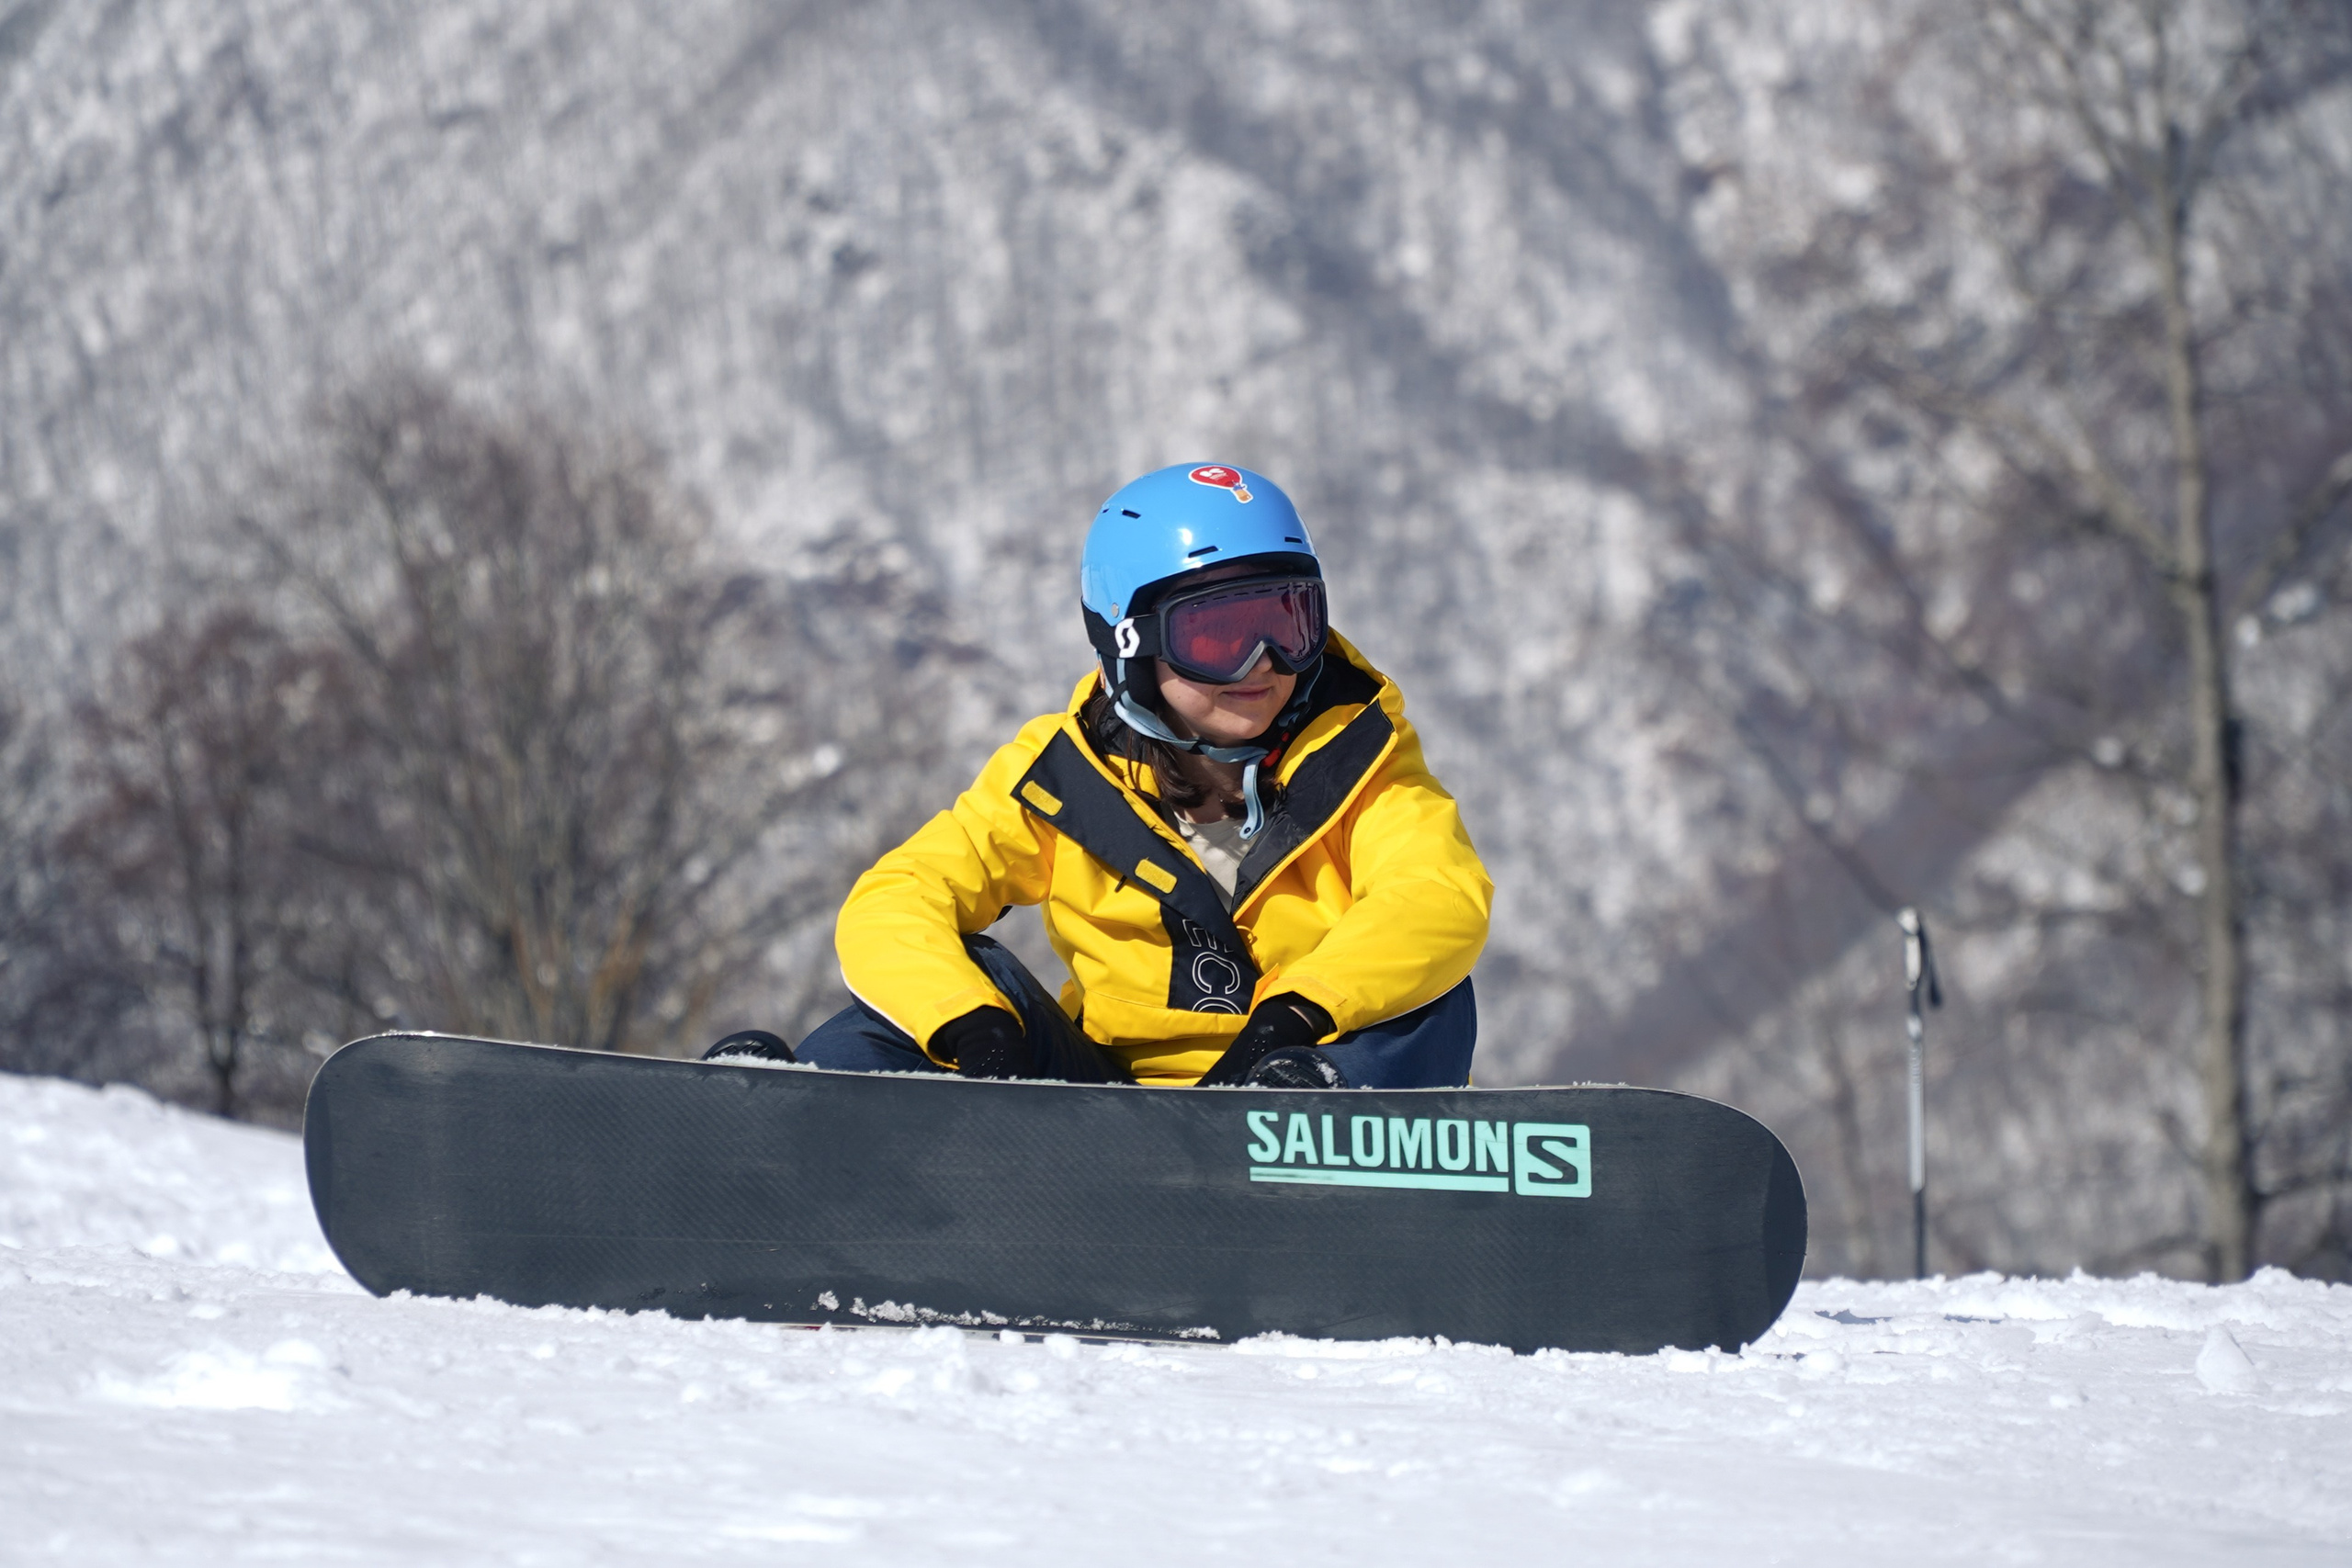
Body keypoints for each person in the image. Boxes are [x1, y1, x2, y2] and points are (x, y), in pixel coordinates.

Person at [707, 463, 1490, 1089]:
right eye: (1218, 634)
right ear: (1132, 647)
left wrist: (1300, 1015)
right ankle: (798, 1128)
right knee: (935, 990)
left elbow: (1435, 894)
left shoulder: (1362, 761)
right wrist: (969, 1027)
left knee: (1429, 994)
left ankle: (1326, 1129)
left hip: (1288, 1108)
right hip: (1105, 1128)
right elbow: (900, 893)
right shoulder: (1064, 775)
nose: (1263, 665)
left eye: (1286, 622)